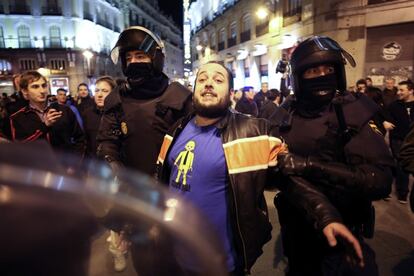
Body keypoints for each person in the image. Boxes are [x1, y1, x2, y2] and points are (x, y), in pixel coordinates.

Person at [156, 61, 364, 275]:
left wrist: (326, 216)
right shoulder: (176, 130)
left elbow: (289, 179)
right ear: (194, 90)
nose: (208, 83)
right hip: (173, 257)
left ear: (231, 94)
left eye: (218, 80)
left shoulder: (252, 132)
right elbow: (164, 183)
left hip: (219, 264)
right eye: (202, 79)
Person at [272, 36, 394, 276]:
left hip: (343, 233)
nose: (322, 76)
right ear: (298, 76)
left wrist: (309, 166)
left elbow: (380, 181)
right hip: (298, 232)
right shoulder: (286, 114)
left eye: (329, 69)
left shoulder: (351, 111)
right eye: (313, 70)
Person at [96, 26, 192, 274]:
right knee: (145, 258)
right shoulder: (116, 99)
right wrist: (112, 163)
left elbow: (198, 144)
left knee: (177, 256)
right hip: (135, 193)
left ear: (155, 58)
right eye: (129, 58)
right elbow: (107, 139)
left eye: (141, 56)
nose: (134, 62)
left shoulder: (180, 97)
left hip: (175, 192)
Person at [9, 71, 85, 156]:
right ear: (25, 91)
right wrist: (44, 126)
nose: (42, 90)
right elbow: (20, 148)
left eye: (44, 86)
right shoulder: (18, 117)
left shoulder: (64, 110)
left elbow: (80, 139)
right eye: (35, 87)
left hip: (64, 167)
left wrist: (75, 165)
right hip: (37, 167)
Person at [387, 80, 414, 204]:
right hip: (397, 138)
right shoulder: (394, 105)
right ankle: (402, 192)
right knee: (401, 163)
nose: (398, 93)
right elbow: (382, 115)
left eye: (402, 90)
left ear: (411, 90)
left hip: (411, 140)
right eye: (398, 90)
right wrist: (384, 122)